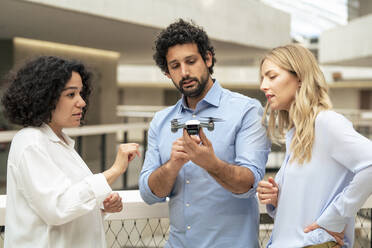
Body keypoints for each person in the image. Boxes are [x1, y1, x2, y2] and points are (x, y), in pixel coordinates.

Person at [138, 19, 270, 248]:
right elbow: (149, 194)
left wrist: (211, 164)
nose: (185, 72)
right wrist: (173, 165)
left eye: (191, 61)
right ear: (167, 72)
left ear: (207, 59)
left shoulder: (247, 110)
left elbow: (249, 185)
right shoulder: (161, 121)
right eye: (175, 66)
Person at [1, 56, 140, 248]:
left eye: (81, 94)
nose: (81, 102)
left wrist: (101, 205)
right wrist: (115, 170)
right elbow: (58, 208)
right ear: (46, 98)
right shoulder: (30, 141)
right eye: (70, 95)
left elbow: (70, 200)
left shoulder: (63, 143)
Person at [257, 44, 372, 248]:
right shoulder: (296, 134)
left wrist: (334, 220)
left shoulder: (326, 123)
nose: (263, 86)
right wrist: (278, 198)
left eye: (272, 76)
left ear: (300, 78)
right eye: (262, 78)